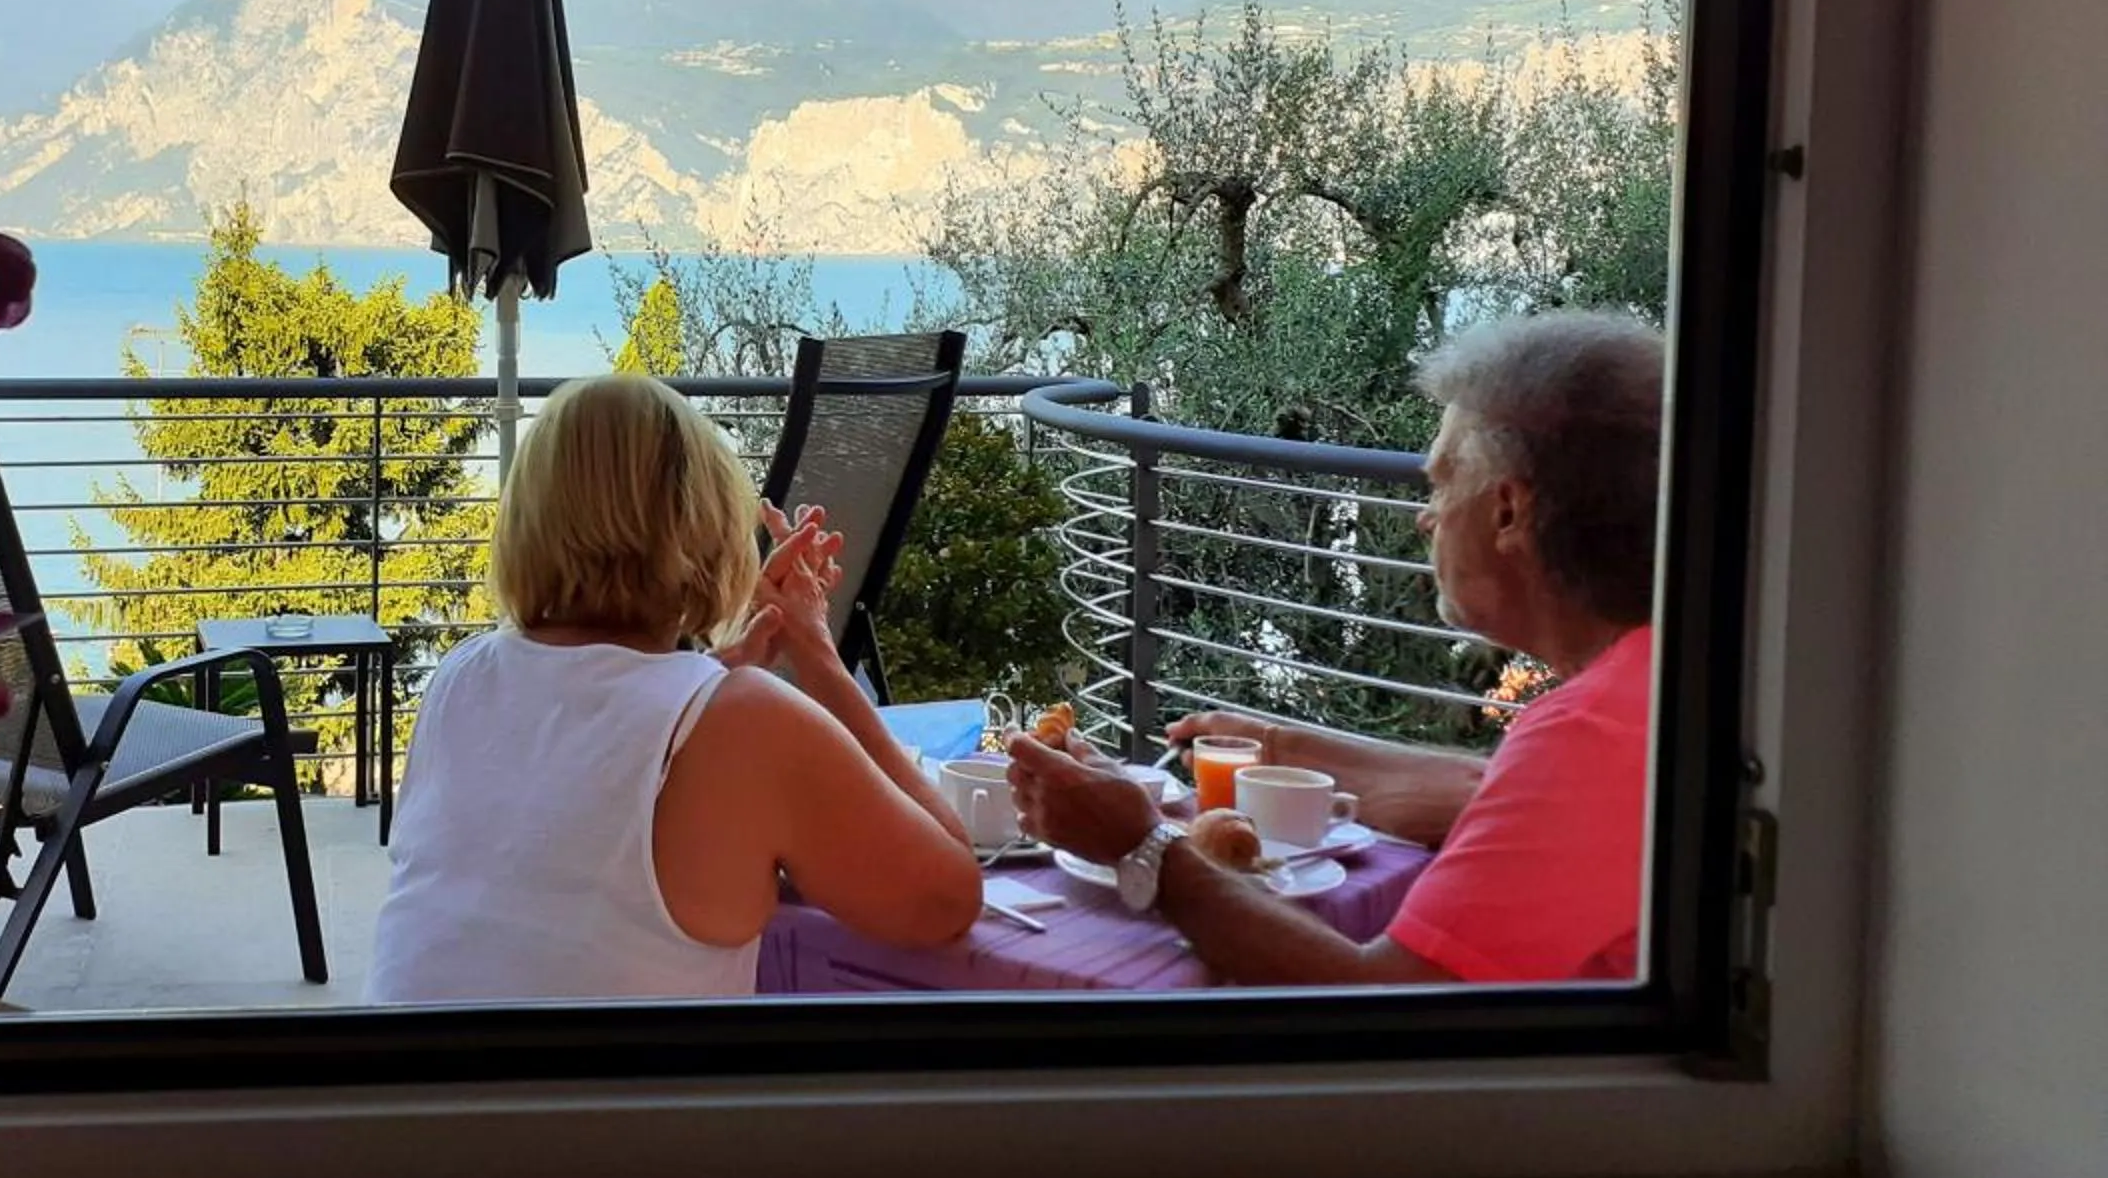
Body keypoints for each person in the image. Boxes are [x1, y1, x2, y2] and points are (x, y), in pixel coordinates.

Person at [1005, 309, 1665, 986]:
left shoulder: (1591, 736)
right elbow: (1491, 794)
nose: (1425, 515)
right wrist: (1280, 750)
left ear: (1507, 512)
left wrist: (1145, 847)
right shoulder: (1659, 682)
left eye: (1441, 482)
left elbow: (1380, 1005)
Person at [367, 373, 982, 1003]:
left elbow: (557, 838)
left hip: (400, 1092)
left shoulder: (462, 676)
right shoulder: (744, 723)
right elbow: (947, 900)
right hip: (614, 1102)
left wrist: (716, 676)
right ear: (706, 526)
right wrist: (816, 651)